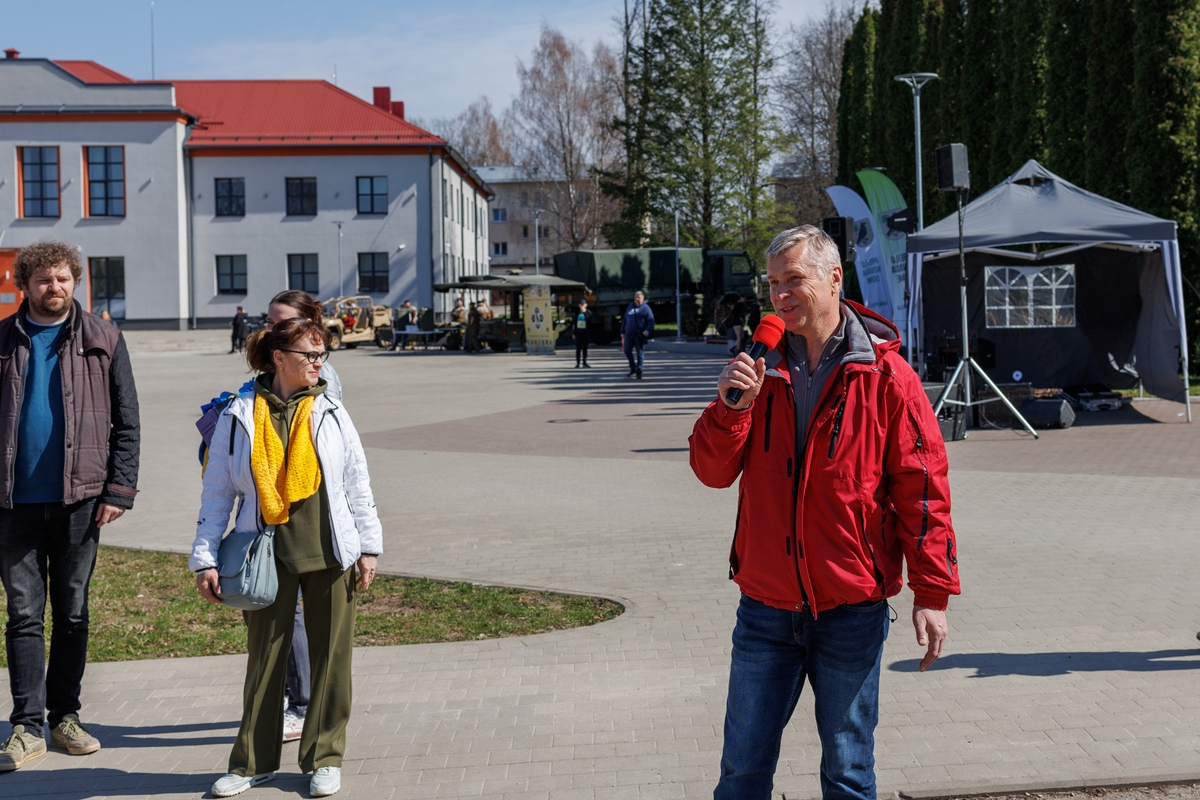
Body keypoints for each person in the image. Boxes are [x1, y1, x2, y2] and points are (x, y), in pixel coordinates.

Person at [689, 226, 960, 800]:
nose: (780, 295)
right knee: (740, 775)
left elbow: (924, 491)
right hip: (765, 609)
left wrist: (931, 594)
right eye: (773, 284)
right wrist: (729, 407)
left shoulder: (886, 376)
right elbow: (712, 472)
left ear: (835, 279)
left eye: (794, 280)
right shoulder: (757, 370)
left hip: (851, 611)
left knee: (848, 774)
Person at [191, 316, 382, 798]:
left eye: (322, 355)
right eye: (309, 355)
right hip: (264, 556)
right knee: (265, 663)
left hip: (330, 552)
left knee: (330, 663)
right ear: (280, 358)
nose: (319, 364)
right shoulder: (238, 413)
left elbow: (357, 481)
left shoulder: (331, 410)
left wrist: (370, 545)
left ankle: (324, 758)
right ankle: (252, 762)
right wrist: (204, 558)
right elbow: (217, 495)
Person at [0, 240, 140, 772]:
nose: (53, 288)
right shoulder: (2, 340)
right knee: (23, 614)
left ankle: (65, 716)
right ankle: (26, 727)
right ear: (24, 285)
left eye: (62, 279)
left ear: (75, 281)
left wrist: (118, 491)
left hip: (81, 501)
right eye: (42, 280)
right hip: (12, 504)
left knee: (74, 611)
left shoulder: (104, 338)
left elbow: (127, 421)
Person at [621, 290, 654, 379]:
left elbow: (651, 320)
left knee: (640, 353)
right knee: (627, 350)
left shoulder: (645, 308)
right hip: (629, 334)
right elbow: (624, 319)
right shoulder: (630, 306)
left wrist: (647, 330)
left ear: (643, 298)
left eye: (638, 297)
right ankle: (633, 369)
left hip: (639, 335)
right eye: (635, 297)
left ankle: (639, 371)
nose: (636, 299)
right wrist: (622, 332)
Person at [574, 300, 593, 368]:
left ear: (586, 305)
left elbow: (589, 320)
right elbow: (575, 323)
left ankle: (584, 362)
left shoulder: (589, 312)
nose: (581, 306)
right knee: (578, 348)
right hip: (578, 333)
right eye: (580, 304)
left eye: (583, 304)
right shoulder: (577, 313)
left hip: (585, 333)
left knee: (585, 348)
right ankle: (578, 363)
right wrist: (574, 333)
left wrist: (584, 312)